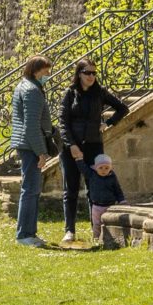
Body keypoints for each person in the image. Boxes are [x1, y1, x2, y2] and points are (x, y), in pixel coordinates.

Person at [55, 61, 130, 246]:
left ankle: (96, 230)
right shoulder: (70, 93)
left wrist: (108, 123)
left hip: (93, 146)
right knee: (70, 189)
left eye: (94, 73)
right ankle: (69, 230)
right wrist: (71, 145)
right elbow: (62, 122)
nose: (91, 76)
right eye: (87, 72)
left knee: (94, 188)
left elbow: (123, 108)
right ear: (79, 73)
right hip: (71, 147)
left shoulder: (100, 92)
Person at [8, 56, 55, 248]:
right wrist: (41, 152)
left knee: (32, 189)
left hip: (25, 144)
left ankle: (29, 232)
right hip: (30, 146)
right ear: (36, 71)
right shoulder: (33, 91)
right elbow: (31, 126)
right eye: (46, 71)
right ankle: (25, 234)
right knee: (31, 190)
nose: (48, 74)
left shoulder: (24, 86)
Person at [85, 151, 128, 247]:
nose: (104, 170)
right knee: (96, 224)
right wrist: (79, 160)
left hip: (109, 206)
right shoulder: (92, 175)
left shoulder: (112, 177)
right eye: (101, 168)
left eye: (106, 168)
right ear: (96, 168)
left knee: (108, 223)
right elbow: (83, 169)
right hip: (96, 206)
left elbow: (117, 190)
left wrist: (122, 200)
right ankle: (96, 238)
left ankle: (109, 238)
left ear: (111, 168)